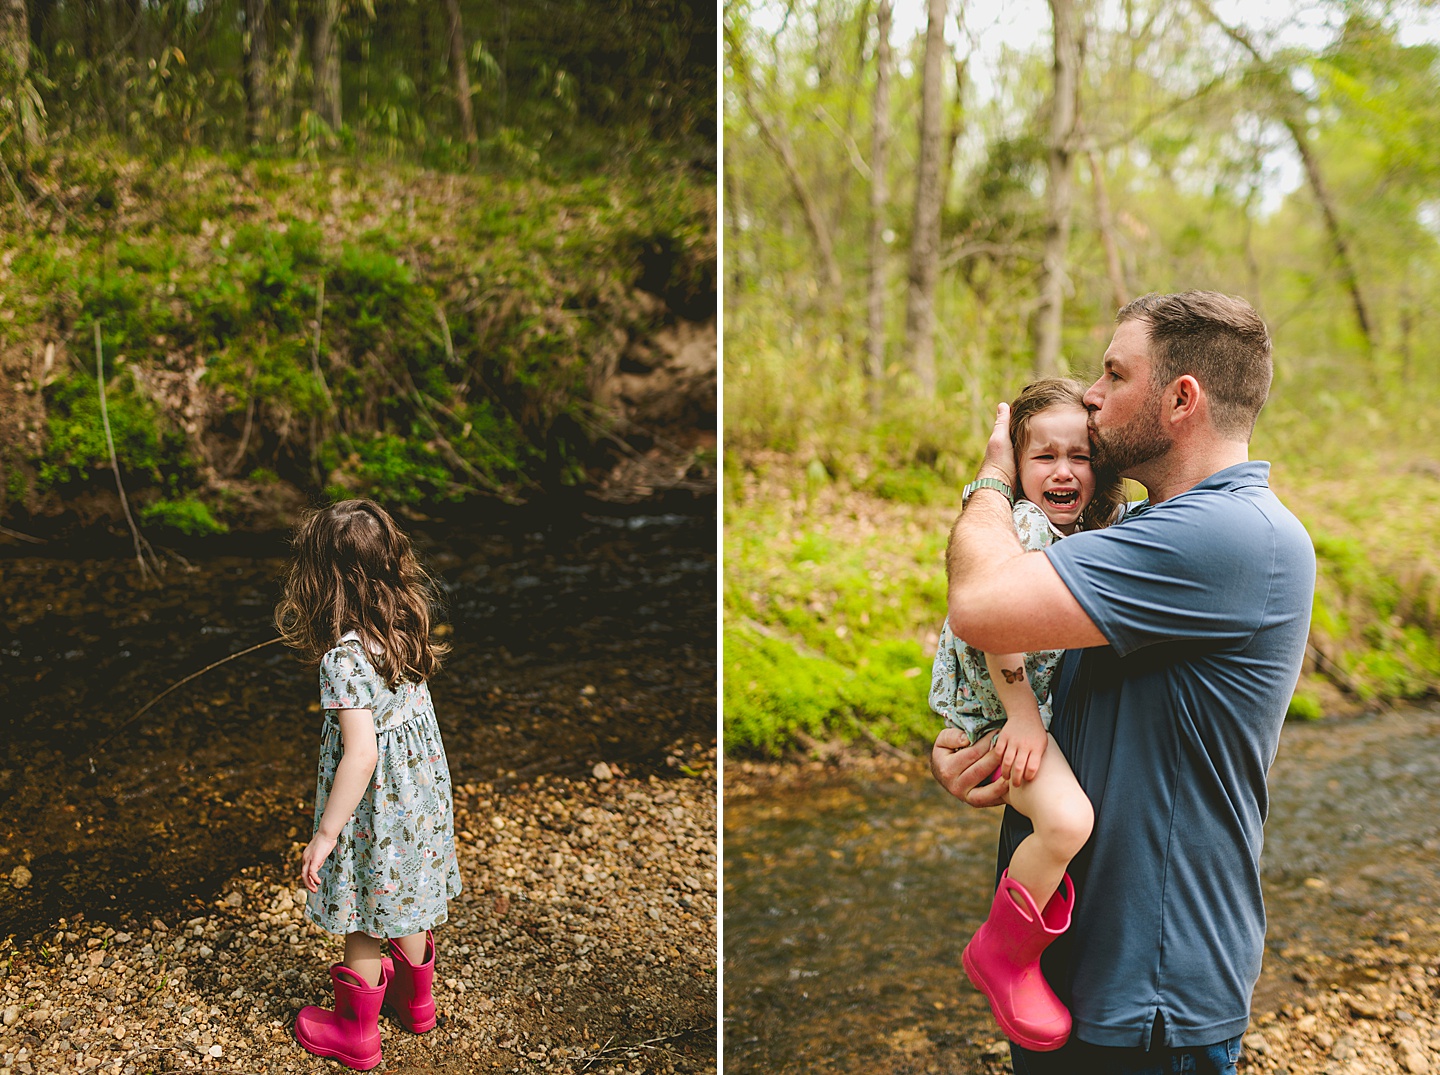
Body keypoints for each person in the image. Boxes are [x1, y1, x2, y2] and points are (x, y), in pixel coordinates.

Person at [931, 291, 1315, 1075]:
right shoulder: (1136, 530)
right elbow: (1042, 677)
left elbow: (979, 604)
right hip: (1070, 958)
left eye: (1114, 372)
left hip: (1151, 987)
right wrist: (973, 739)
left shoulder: (1228, 535)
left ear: (1181, 398)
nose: (1093, 394)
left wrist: (993, 478)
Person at [929, 378, 1124, 1049]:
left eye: (1081, 454)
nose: (1064, 470)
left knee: (1063, 815)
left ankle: (1012, 947)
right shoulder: (1025, 526)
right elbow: (996, 625)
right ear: (1017, 468)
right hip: (1001, 714)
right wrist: (1022, 717)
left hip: (1024, 712)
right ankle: (1002, 952)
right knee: (1067, 819)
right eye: (1044, 457)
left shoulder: (1098, 530)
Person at [275, 498, 462, 1071]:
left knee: (362, 914)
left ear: (320, 579)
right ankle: (417, 1004)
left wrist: (326, 834)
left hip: (375, 809)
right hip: (419, 800)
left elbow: (361, 754)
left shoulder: (344, 659)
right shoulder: (406, 622)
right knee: (406, 897)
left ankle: (356, 1034)